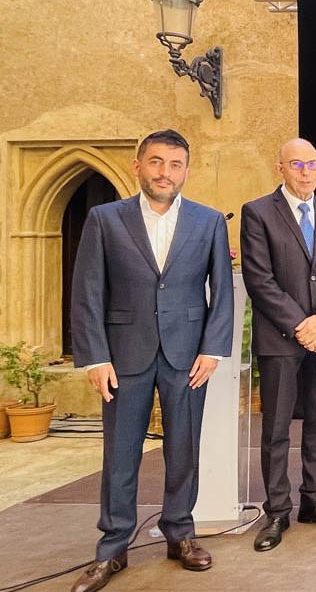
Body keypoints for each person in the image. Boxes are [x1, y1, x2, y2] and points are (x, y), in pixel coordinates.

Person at [69, 129, 233, 592]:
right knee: (120, 454)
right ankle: (112, 549)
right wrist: (94, 357)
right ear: (137, 166)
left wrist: (212, 348)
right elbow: (86, 293)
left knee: (185, 449)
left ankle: (180, 533)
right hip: (123, 356)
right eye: (157, 162)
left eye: (176, 164)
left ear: (186, 170)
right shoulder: (105, 219)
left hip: (187, 357)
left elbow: (220, 292)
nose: (166, 172)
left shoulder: (208, 221)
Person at [240, 138, 316, 552]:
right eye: (296, 164)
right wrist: (300, 325)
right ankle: (276, 512)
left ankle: (315, 500)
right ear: (280, 168)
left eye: (311, 164)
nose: (304, 171)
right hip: (280, 339)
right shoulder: (257, 213)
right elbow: (259, 279)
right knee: (275, 430)